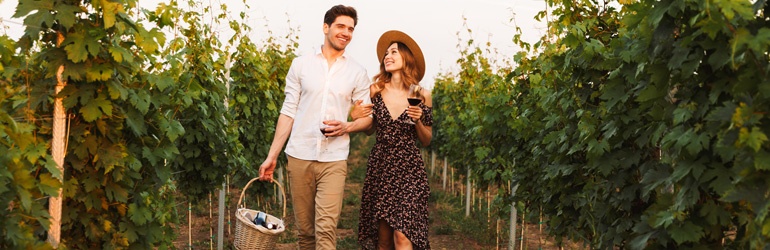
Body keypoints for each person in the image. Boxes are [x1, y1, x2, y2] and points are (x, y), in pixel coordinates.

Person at [257, 5, 373, 250]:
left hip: (334, 159)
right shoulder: (300, 65)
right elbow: (288, 112)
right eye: (341, 26)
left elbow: (368, 119)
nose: (346, 33)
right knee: (306, 234)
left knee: (326, 230)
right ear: (326, 27)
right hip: (299, 155)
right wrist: (272, 156)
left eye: (351, 29)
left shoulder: (358, 72)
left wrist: (347, 126)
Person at [355, 30, 433, 250]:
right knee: (384, 240)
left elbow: (426, 140)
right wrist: (357, 116)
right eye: (386, 53)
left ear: (406, 58)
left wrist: (418, 121)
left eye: (394, 52)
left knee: (403, 235)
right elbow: (370, 129)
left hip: (410, 168)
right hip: (382, 166)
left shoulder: (421, 94)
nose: (387, 56)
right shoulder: (375, 90)